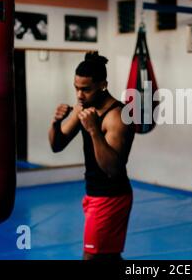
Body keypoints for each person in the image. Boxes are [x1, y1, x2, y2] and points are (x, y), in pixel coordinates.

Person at [48, 52, 135, 261]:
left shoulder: (117, 116)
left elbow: (113, 169)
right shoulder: (83, 108)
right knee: (108, 255)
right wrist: (56, 122)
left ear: (103, 85)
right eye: (76, 88)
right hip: (93, 193)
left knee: (91, 257)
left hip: (111, 196)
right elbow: (57, 144)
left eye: (85, 89)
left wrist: (94, 131)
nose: (79, 95)